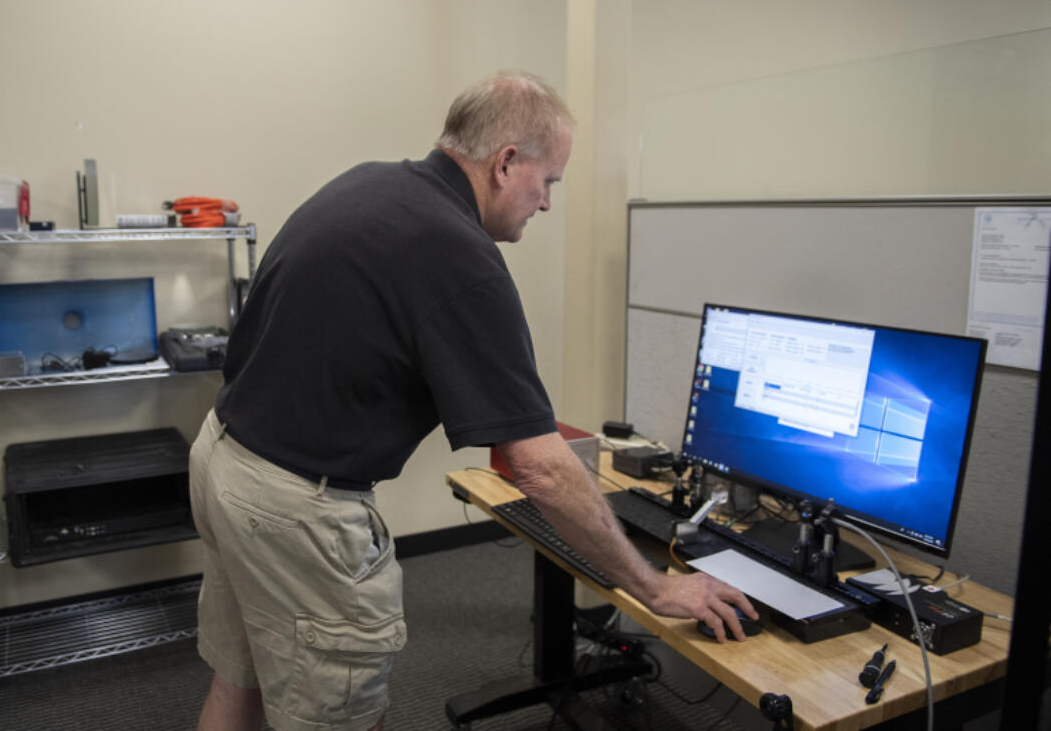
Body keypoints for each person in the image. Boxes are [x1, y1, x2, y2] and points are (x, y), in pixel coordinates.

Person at [189, 70, 756, 731]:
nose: (546, 203)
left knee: (243, 684)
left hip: (223, 459)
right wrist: (655, 586)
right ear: (506, 162)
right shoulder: (459, 254)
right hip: (293, 510)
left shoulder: (372, 184)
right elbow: (539, 466)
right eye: (549, 181)